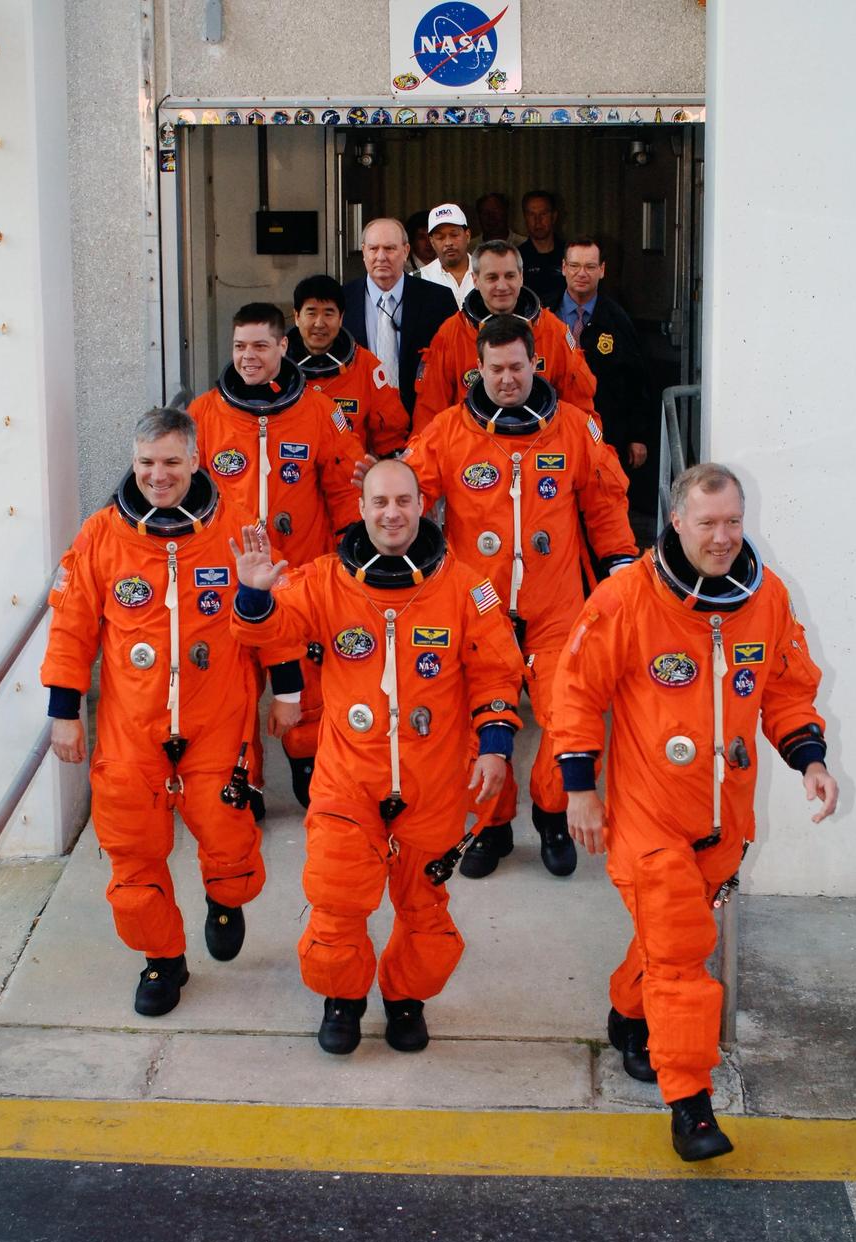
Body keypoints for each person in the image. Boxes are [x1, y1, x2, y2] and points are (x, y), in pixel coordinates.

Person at [551, 463, 839, 1161]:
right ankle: (691, 1105)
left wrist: (811, 761)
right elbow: (576, 692)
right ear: (676, 521)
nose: (722, 537)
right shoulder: (627, 598)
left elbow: (787, 690)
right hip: (649, 815)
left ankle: (628, 1012)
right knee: (683, 950)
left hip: (722, 821)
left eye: (733, 521)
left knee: (671, 939)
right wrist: (580, 789)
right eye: (707, 522)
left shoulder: (766, 598)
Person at [230, 459, 524, 1054]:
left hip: (431, 783)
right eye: (380, 502)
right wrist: (254, 594)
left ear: (423, 506)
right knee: (337, 897)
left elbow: (497, 673)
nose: (392, 513)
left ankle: (406, 998)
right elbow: (268, 632)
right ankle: (342, 998)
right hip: (348, 780)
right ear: (361, 509)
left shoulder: (467, 587)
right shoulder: (324, 580)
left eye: (403, 501)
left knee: (425, 912)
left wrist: (495, 747)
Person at [40, 409, 282, 1017]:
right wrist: (64, 709)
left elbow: (277, 613)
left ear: (196, 460)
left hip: (215, 717)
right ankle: (162, 959)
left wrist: (287, 690)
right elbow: (71, 626)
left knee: (228, 833)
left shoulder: (236, 527)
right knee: (131, 849)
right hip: (132, 727)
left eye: (172, 461)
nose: (158, 475)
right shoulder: (101, 535)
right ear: (133, 462)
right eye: (146, 462)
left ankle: (225, 900)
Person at [403, 315, 637, 879]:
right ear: (477, 370)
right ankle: (493, 823)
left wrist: (622, 572)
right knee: (471, 727)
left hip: (556, 608)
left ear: (536, 364)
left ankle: (552, 816)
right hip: (479, 612)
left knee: (570, 719)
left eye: (516, 367)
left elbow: (606, 505)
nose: (507, 379)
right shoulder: (449, 431)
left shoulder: (575, 428)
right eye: (495, 369)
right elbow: (408, 498)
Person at [189, 302, 364, 809]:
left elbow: (344, 487)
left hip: (300, 573)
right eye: (240, 346)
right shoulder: (204, 414)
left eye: (261, 346)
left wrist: (348, 557)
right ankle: (244, 775)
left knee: (307, 679)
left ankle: (307, 761)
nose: (248, 356)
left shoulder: (318, 410)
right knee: (235, 685)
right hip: (230, 578)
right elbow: (183, 493)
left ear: (284, 346)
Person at [412, 240, 597, 432]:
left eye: (510, 276)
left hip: (540, 443)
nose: (502, 286)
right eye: (492, 277)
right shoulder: (452, 334)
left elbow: (581, 408)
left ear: (521, 277)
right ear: (475, 280)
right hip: (472, 443)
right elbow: (428, 413)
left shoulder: (553, 331)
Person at [546, 236, 650, 472]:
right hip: (551, 429)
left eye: (590, 266)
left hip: (607, 431)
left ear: (602, 270)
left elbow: (637, 381)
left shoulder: (618, 320)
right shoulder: (544, 314)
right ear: (564, 268)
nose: (582, 273)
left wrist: (638, 435)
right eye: (575, 266)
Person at [342, 217, 458, 420]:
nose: (381, 257)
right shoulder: (342, 300)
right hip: (358, 422)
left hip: (423, 420)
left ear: (405, 251)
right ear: (363, 252)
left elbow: (453, 365)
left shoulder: (438, 299)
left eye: (389, 248)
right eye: (373, 249)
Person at [288, 274, 409, 456]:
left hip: (348, 470)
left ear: (341, 318)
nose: (319, 323)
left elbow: (390, 435)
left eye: (329, 313)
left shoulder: (365, 365)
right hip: (291, 469)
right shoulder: (276, 366)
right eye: (311, 313)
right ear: (297, 317)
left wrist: (387, 465)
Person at [415, 203, 475, 309]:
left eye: (454, 235)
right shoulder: (419, 279)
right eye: (440, 237)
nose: (448, 243)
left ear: (467, 235)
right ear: (432, 242)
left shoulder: (489, 273)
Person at [519, 190, 566, 300]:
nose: (538, 221)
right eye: (531, 214)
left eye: (543, 214)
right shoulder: (516, 258)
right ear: (525, 218)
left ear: (554, 216)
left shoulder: (569, 254)